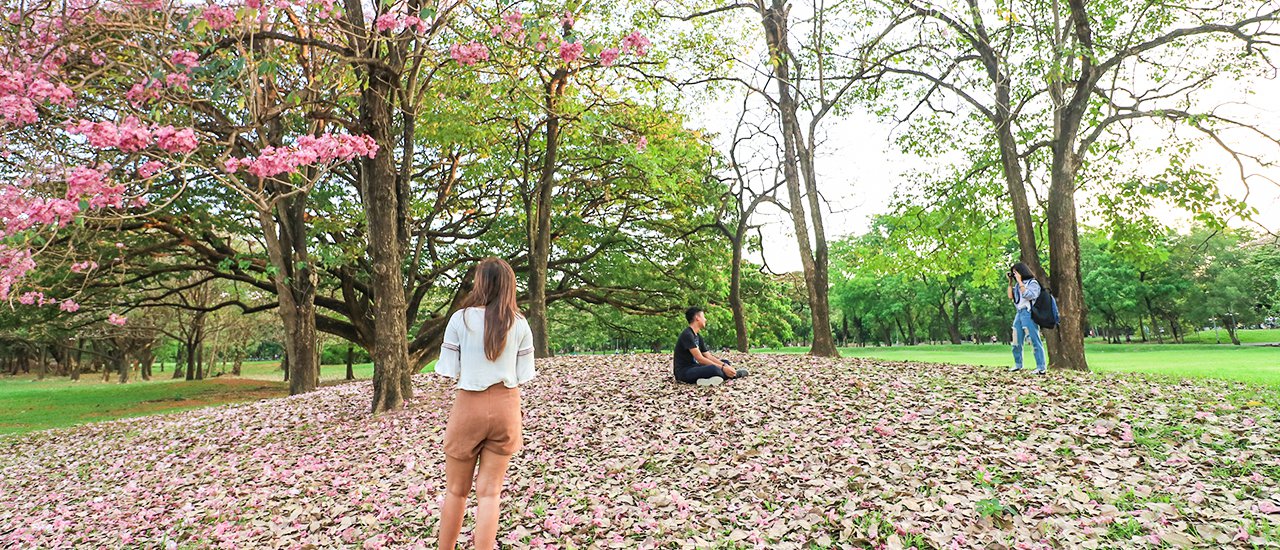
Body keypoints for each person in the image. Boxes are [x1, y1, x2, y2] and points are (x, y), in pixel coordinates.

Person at [435, 258, 536, 550]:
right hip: (507, 407)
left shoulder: (461, 318)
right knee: (490, 493)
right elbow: (524, 375)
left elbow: (447, 370)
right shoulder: (519, 323)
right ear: (509, 285)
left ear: (481, 282)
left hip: (469, 404)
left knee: (456, 491)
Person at [673, 307, 748, 386]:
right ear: (697, 318)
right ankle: (734, 375)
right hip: (684, 372)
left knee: (726, 362)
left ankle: (706, 380)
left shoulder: (697, 336)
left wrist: (724, 365)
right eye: (703, 317)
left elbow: (708, 356)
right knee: (714, 369)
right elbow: (700, 359)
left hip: (694, 367)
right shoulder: (687, 335)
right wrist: (722, 368)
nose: (705, 319)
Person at [1007, 262, 1047, 375]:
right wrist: (1010, 283)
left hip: (1028, 313)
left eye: (1016, 272)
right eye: (1013, 273)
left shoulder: (1032, 283)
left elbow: (1029, 295)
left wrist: (1020, 282)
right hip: (1019, 314)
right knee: (1016, 340)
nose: (1015, 275)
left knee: (1033, 339)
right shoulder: (1018, 286)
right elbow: (1011, 297)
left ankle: (1041, 367)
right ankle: (1018, 364)